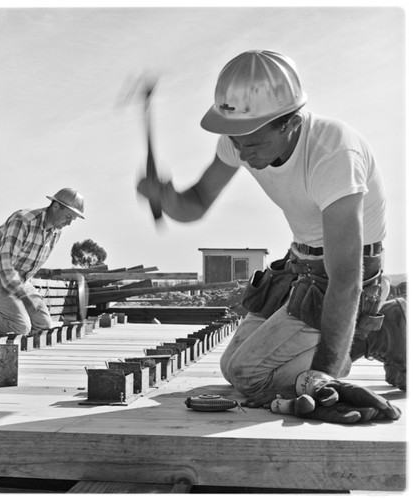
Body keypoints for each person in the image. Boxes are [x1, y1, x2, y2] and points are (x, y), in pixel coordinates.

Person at [137, 50, 406, 423]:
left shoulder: (333, 153)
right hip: (299, 265)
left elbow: (346, 278)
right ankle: (367, 334)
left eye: (254, 144)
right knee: (233, 368)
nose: (243, 154)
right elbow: (196, 204)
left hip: (348, 272)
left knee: (252, 376)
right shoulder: (240, 139)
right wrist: (165, 197)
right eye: (237, 142)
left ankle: (377, 333)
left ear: (291, 123)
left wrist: (322, 381)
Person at [0, 188, 85, 337]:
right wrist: (23, 297)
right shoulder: (23, 221)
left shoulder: (56, 232)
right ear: (56, 206)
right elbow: (5, 266)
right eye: (68, 216)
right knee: (21, 327)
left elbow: (27, 270)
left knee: (43, 325)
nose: (69, 223)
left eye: (73, 219)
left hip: (18, 281)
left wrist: (23, 294)